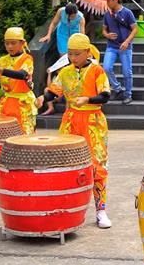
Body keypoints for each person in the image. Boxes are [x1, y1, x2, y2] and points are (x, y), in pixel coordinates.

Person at [44, 33, 112, 228]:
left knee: (97, 166)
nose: (73, 58)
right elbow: (53, 91)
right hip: (71, 121)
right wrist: (43, 96)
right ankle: (66, 208)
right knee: (66, 164)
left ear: (87, 52)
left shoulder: (97, 71)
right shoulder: (65, 72)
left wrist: (88, 100)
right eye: (70, 54)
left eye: (76, 54)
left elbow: (106, 96)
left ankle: (101, 210)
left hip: (93, 123)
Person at [0, 27, 40, 135]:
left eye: (13, 43)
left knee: (23, 134)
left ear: (22, 43)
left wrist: (1, 71)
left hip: (23, 102)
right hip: (7, 102)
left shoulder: (27, 58)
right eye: (7, 43)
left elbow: (22, 75)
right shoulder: (2, 60)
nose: (9, 46)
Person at [39, 3, 86, 116]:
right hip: (62, 32)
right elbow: (54, 23)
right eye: (70, 16)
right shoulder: (61, 11)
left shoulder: (81, 17)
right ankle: (64, 72)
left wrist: (83, 47)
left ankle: (73, 71)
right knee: (64, 56)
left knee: (75, 52)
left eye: (73, 16)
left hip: (75, 32)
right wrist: (48, 35)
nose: (71, 18)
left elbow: (83, 34)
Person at [102, 0, 137, 103]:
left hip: (125, 47)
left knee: (127, 71)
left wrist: (127, 42)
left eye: (109, 1)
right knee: (106, 67)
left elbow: (135, 29)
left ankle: (128, 94)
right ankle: (117, 89)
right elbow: (104, 30)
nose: (107, 3)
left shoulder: (127, 13)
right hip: (111, 46)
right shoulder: (107, 15)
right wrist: (107, 35)